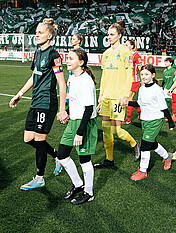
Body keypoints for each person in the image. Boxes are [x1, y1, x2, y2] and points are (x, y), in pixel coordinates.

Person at [9, 18, 67, 190]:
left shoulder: (53, 55)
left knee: (40, 140)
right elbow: (34, 77)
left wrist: (62, 109)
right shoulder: (37, 53)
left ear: (50, 35)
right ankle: (57, 157)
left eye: (40, 32)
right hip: (35, 102)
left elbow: (61, 83)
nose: (37, 35)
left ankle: (39, 177)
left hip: (47, 103)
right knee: (28, 139)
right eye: (36, 32)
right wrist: (19, 94)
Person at [94, 21, 140, 168]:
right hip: (107, 97)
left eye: (112, 34)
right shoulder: (106, 54)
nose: (109, 37)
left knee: (117, 130)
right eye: (108, 34)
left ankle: (134, 143)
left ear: (119, 35)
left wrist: (126, 95)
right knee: (106, 129)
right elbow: (105, 76)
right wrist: (101, 96)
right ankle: (109, 159)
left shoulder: (126, 52)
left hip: (119, 97)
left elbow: (129, 75)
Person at [57, 48, 98, 204]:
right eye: (68, 58)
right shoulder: (73, 78)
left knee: (84, 160)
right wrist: (67, 112)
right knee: (62, 155)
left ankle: (89, 192)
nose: (68, 61)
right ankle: (78, 184)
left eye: (71, 58)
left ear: (81, 62)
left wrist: (80, 133)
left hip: (84, 124)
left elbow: (88, 109)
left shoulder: (85, 80)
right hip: (74, 121)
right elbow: (76, 102)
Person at [128, 64, 175, 181]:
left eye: (146, 74)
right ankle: (167, 156)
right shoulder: (141, 88)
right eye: (142, 74)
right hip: (145, 120)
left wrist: (170, 122)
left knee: (145, 145)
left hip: (155, 120)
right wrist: (127, 103)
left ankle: (143, 171)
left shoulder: (157, 90)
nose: (143, 76)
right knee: (151, 143)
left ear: (153, 75)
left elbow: (164, 107)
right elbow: (139, 103)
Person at [123, 39, 142, 125]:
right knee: (128, 99)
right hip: (127, 80)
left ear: (132, 46)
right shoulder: (126, 55)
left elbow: (141, 68)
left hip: (134, 80)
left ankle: (128, 119)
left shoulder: (136, 56)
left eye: (127, 45)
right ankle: (140, 110)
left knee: (129, 99)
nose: (125, 46)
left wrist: (143, 80)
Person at [66, 34, 84, 105]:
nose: (72, 40)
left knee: (76, 99)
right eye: (72, 39)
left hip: (78, 77)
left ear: (78, 41)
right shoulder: (72, 51)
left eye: (74, 39)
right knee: (68, 99)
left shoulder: (81, 51)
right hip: (72, 76)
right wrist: (69, 77)